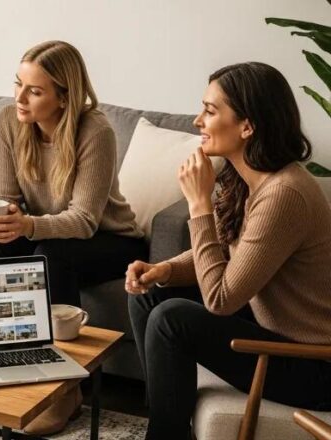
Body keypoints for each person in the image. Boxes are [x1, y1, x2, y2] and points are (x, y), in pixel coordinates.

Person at [125, 62, 331, 439]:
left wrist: (199, 204)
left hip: (312, 364)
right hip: (272, 331)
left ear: (247, 126)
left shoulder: (284, 194)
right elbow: (222, 253)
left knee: (172, 318)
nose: (197, 121)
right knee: (151, 297)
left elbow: (221, 298)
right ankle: (168, 422)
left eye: (210, 110)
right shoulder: (246, 177)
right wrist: (164, 270)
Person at [0, 41, 146, 435]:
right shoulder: (9, 121)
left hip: (111, 239)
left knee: (50, 255)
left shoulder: (95, 130)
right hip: (49, 234)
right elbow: (8, 199)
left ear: (64, 97)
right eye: (18, 84)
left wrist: (27, 226)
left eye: (34, 91)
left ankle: (67, 390)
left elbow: (84, 220)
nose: (19, 97)